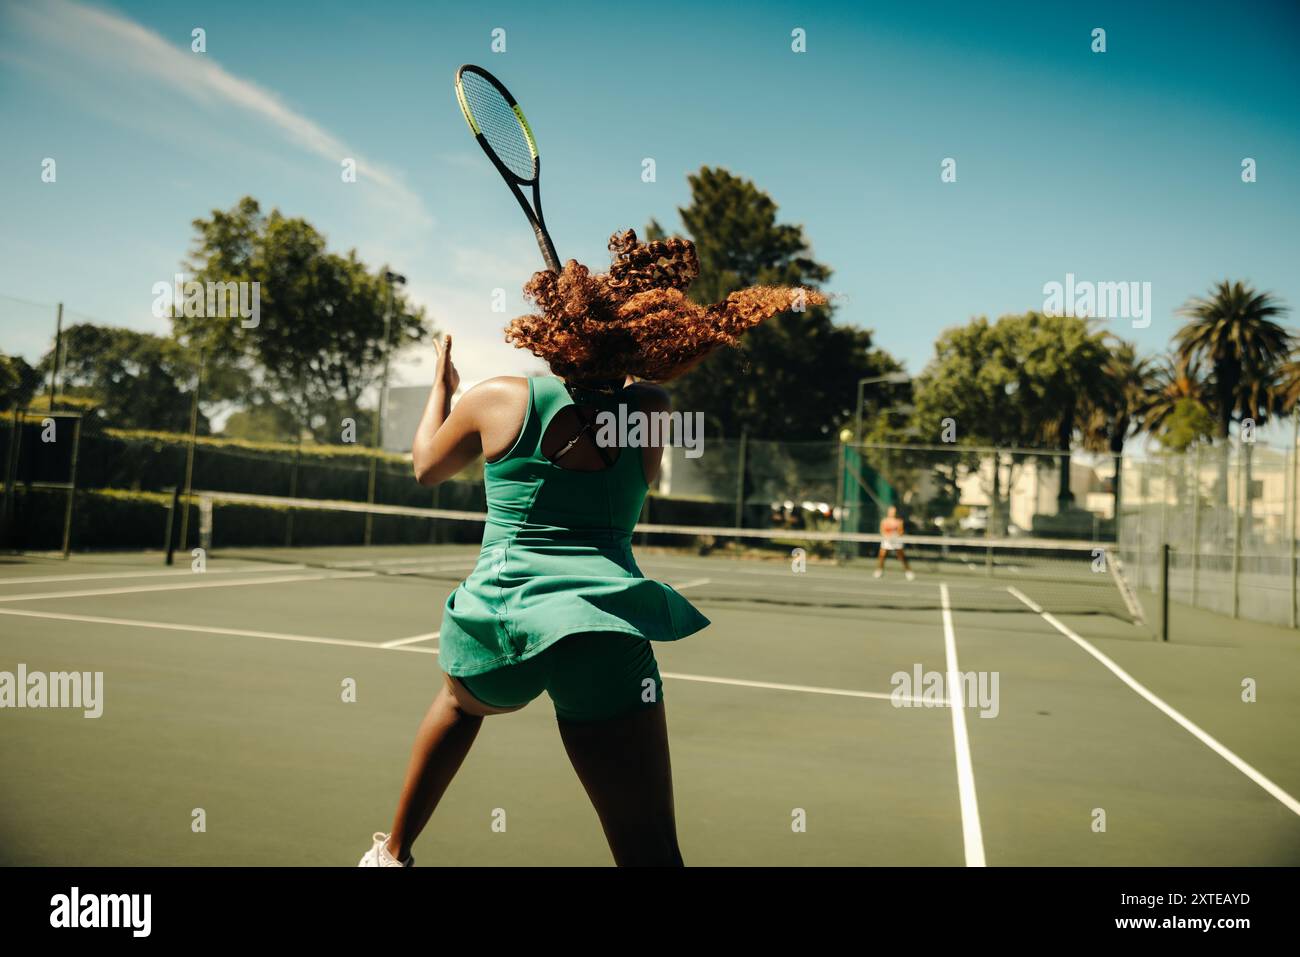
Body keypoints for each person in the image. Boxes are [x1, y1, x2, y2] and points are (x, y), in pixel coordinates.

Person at [359, 229, 826, 867]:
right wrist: (619, 370)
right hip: (605, 631)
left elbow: (425, 466)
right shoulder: (652, 408)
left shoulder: (495, 399)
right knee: (652, 851)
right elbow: (639, 453)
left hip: (499, 629)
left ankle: (392, 854)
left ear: (553, 332)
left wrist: (442, 384)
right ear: (632, 336)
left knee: (458, 704)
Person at [873, 505, 915, 581]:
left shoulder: (899, 521)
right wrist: (887, 535)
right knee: (882, 555)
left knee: (901, 556)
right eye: (891, 511)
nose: (892, 513)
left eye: (893, 512)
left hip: (896, 540)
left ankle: (908, 572)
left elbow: (901, 531)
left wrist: (895, 535)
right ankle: (879, 570)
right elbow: (882, 531)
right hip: (887, 540)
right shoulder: (884, 521)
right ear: (888, 512)